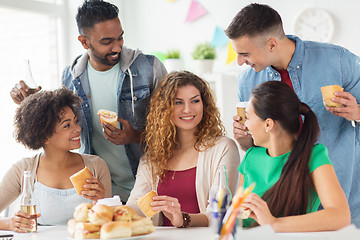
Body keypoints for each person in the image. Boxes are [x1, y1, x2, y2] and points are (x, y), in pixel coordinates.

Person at [10, 0, 167, 202]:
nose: (117, 47)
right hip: (97, 191)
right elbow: (59, 128)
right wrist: (31, 103)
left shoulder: (149, 68)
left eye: (120, 38)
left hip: (149, 187)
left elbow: (175, 129)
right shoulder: (70, 77)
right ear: (84, 42)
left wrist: (136, 136)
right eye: (107, 41)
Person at [226, 3, 360, 227]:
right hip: (283, 209)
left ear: (271, 44)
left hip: (343, 202)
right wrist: (244, 139)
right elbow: (260, 147)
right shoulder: (247, 81)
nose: (240, 61)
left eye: (244, 53)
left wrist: (357, 112)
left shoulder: (338, 61)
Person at [126, 71, 240, 227]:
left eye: (195, 101)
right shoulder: (153, 156)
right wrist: (115, 212)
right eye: (178, 102)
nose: (188, 109)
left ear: (204, 104)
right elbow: (137, 204)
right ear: (164, 108)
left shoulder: (224, 148)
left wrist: (183, 219)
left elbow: (219, 211)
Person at [239, 81, 350, 231]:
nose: (245, 125)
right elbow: (237, 217)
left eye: (248, 117)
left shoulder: (313, 156)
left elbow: (340, 216)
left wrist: (274, 224)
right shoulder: (250, 157)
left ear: (268, 124)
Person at [0, 88, 111, 231]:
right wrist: (9, 224)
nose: (78, 128)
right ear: (44, 135)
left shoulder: (96, 165)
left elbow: (109, 223)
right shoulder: (23, 170)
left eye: (75, 121)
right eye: (67, 125)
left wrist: (101, 201)